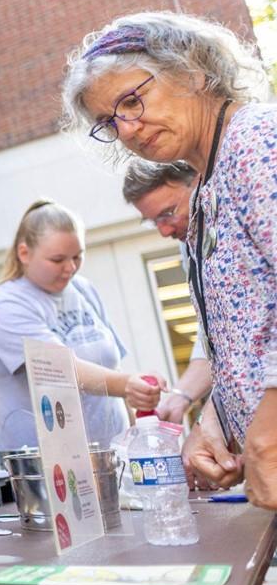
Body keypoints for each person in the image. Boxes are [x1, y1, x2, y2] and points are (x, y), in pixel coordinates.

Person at [62, 11, 277, 508]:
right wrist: (215, 422)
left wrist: (266, 428)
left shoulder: (256, 141)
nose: (128, 129)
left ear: (194, 69)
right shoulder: (206, 188)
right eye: (109, 122)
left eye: (133, 100)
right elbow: (243, 329)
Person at [0, 200, 165, 458]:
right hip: (43, 464)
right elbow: (60, 369)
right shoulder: (4, 306)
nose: (71, 268)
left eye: (77, 256)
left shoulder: (83, 289)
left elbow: (112, 367)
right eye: (57, 259)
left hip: (110, 453)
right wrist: (128, 385)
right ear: (24, 253)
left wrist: (136, 439)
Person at [121, 159, 213, 425]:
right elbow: (214, 332)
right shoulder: (189, 245)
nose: (163, 231)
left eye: (167, 213)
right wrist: (180, 397)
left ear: (197, 182)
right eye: (152, 222)